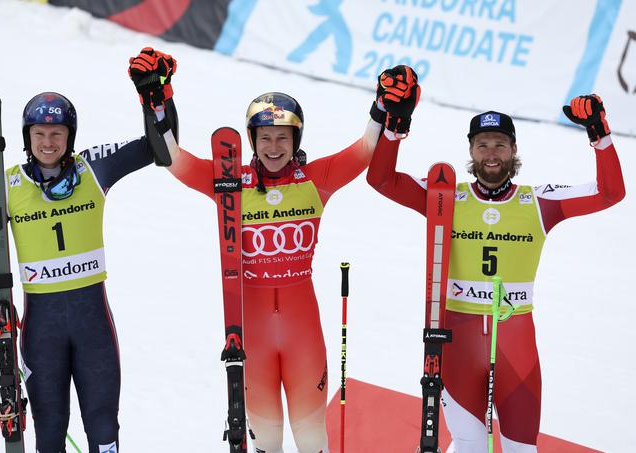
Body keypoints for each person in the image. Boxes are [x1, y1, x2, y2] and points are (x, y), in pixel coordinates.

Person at [366, 66, 625, 452]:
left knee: (522, 448)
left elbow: (609, 194)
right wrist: (393, 127)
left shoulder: (539, 201)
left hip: (516, 342)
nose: (491, 154)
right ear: (470, 150)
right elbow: (381, 179)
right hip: (458, 340)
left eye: (500, 144)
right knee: (469, 443)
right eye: (483, 144)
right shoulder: (445, 196)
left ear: (514, 150)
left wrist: (600, 137)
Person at [0, 47, 178, 453]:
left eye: (57, 134)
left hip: (92, 322)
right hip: (40, 329)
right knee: (48, 431)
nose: (48, 142)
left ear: (71, 137)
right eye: (39, 134)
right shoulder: (5, 185)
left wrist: (156, 96)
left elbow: (162, 150)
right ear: (27, 137)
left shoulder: (92, 168)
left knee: (103, 427)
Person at [164, 89, 384, 452]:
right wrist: (156, 102)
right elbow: (174, 160)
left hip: (303, 334)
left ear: (296, 139)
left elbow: (364, 150)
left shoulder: (315, 179)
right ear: (252, 140)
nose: (274, 146)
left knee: (313, 440)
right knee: (266, 443)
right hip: (253, 335)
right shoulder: (230, 184)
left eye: (283, 136)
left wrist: (382, 106)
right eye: (265, 137)